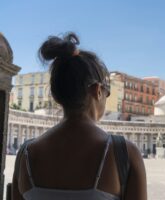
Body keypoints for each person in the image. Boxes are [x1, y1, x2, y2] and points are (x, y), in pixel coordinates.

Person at [12, 32, 147, 200]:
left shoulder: (25, 154)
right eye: (107, 92)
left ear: (55, 95)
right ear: (98, 91)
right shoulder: (125, 153)